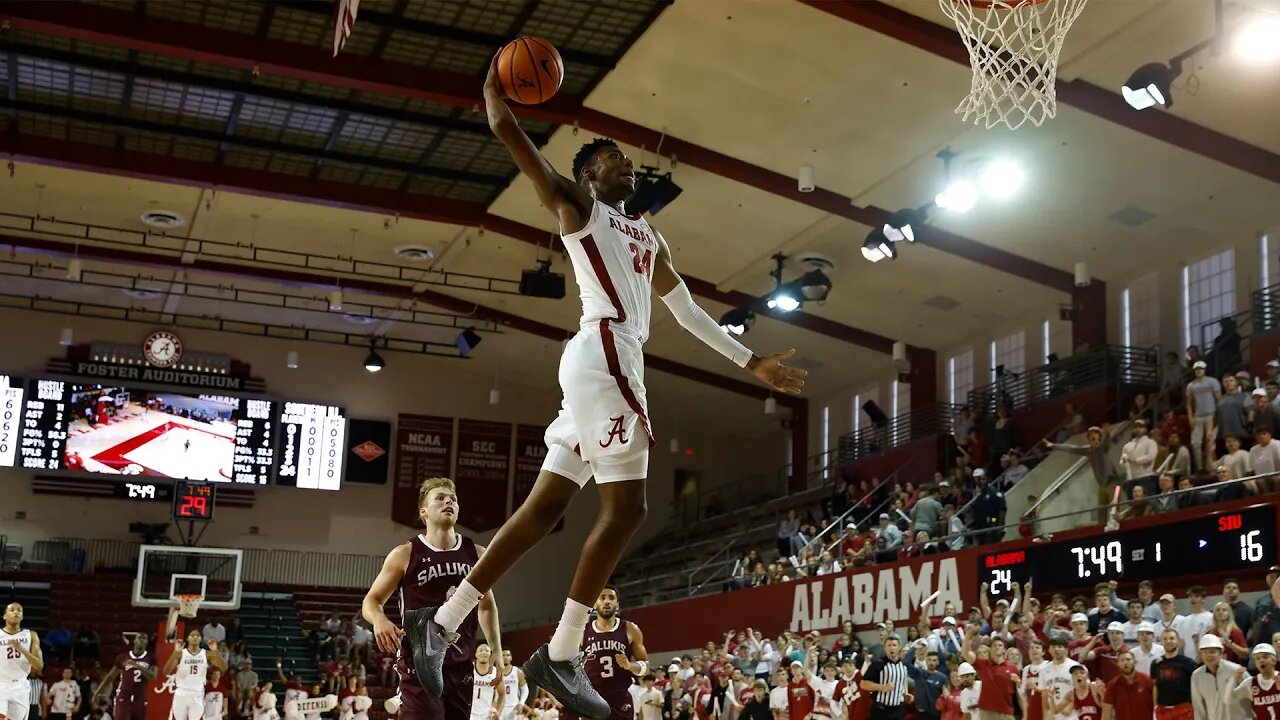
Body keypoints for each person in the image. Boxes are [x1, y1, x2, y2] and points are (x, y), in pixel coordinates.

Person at [411, 64, 806, 720]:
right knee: (626, 512)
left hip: (609, 365)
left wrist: (751, 360)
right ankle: (561, 653)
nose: (624, 164)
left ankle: (443, 622)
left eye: (624, 158)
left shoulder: (650, 235)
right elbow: (516, 141)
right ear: (591, 175)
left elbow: (685, 312)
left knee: (542, 513)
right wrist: (493, 93)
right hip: (603, 359)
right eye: (611, 159)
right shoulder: (579, 208)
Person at [362, 477, 503, 720]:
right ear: (423, 512)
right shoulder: (405, 554)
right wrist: (380, 620)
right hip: (419, 666)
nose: (449, 501)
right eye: (440, 498)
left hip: (461, 665)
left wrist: (496, 649)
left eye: (453, 500)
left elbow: (487, 606)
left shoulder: (476, 553)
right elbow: (371, 601)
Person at [567, 587, 650, 720]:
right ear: (595, 603)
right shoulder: (582, 631)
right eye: (602, 597)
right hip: (592, 699)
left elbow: (646, 667)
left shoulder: (630, 629)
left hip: (620, 697)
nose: (607, 602)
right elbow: (570, 665)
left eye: (611, 598)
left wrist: (630, 666)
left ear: (617, 604)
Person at [162, 630, 227, 720]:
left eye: (197, 635)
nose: (195, 637)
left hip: (197, 693)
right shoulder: (181, 653)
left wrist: (216, 651)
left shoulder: (207, 654)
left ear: (201, 639)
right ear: (188, 639)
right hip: (181, 693)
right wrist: (175, 652)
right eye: (192, 635)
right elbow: (166, 672)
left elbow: (224, 668)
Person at [94, 633, 155, 720]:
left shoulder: (151, 658)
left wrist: (138, 666)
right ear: (134, 640)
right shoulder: (123, 657)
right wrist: (97, 692)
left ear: (147, 642)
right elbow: (110, 677)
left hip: (140, 698)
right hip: (124, 697)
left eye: (144, 638)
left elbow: (152, 677)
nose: (141, 640)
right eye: (139, 638)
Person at [1189, 635, 1248, 720]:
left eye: (1212, 652)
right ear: (1201, 654)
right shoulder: (1197, 676)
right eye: (1205, 652)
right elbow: (1198, 708)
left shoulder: (1236, 670)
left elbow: (1252, 694)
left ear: (1220, 653)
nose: (1209, 655)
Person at [2, 603, 44, 720]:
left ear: (22, 616)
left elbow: (39, 666)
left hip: (20, 685)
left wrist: (21, 649)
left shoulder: (31, 635)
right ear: (4, 616)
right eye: (12, 610)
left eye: (19, 610)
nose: (16, 612)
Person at [1151, 629, 1196, 720]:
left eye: (1171, 638)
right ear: (1161, 641)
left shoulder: (1189, 663)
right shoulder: (1156, 663)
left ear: (1178, 641)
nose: (1168, 641)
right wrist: (1155, 706)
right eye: (1165, 639)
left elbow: (1195, 687)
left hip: (1183, 710)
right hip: (1162, 710)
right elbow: (1155, 686)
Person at [860, 636, 910, 719]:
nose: (892, 648)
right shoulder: (878, 663)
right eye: (889, 645)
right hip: (881, 709)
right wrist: (882, 687)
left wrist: (906, 693)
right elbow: (863, 684)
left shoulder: (904, 664)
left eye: (894, 645)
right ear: (885, 648)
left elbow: (903, 680)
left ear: (899, 647)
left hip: (898, 709)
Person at [1231, 644, 1280, 720]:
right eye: (1257, 658)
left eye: (1265, 657)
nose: (1261, 660)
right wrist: (1233, 680)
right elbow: (1229, 699)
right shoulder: (1250, 682)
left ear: (1274, 661)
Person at [1100, 650, 1152, 720]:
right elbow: (1106, 714)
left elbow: (1157, 706)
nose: (1125, 663)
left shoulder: (1147, 680)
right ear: (1118, 664)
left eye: (1128, 659)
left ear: (1135, 662)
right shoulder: (1113, 685)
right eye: (1122, 660)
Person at [471, 645, 504, 720]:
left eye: (486, 651)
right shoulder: (468, 669)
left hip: (487, 714)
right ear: (476, 654)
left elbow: (502, 695)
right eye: (481, 650)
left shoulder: (496, 672)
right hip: (469, 712)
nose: (484, 652)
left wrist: (498, 712)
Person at [498, 650, 529, 720]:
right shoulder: (495, 672)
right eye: (503, 655)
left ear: (511, 658)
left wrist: (521, 703)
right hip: (499, 707)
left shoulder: (518, 672)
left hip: (514, 707)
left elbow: (525, 690)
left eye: (508, 655)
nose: (505, 657)